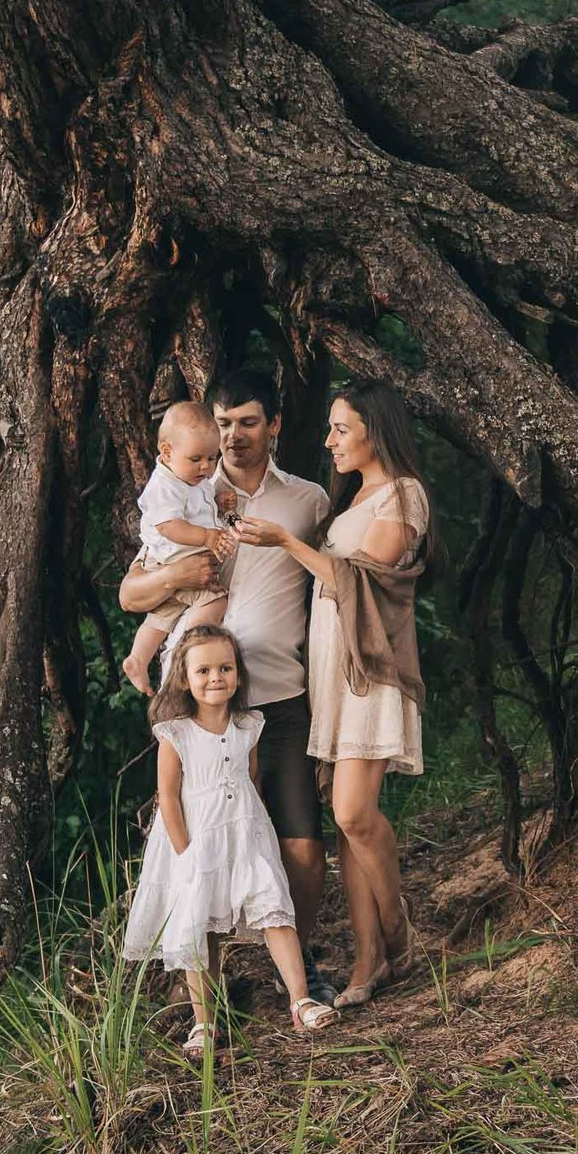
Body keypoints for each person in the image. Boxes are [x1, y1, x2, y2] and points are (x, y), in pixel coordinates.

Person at [119, 369, 337, 1007]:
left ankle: (298, 969)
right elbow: (133, 593)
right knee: (200, 844)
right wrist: (177, 575)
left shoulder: (308, 501)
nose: (233, 436)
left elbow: (334, 586)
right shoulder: (186, 492)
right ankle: (203, 995)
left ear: (272, 425)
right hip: (200, 704)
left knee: (301, 841)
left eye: (247, 422)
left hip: (278, 691)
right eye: (222, 423)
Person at [234, 381, 435, 1009]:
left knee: (352, 813)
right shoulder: (351, 502)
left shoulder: (405, 495)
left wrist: (289, 543)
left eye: (341, 429)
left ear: (376, 429)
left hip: (369, 672)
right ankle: (369, 961)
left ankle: (399, 931)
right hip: (329, 676)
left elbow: (364, 582)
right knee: (346, 826)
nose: (329, 441)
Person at [120, 624, 339, 1059]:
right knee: (203, 928)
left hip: (246, 835)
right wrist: (186, 853)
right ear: (184, 678)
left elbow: (252, 779)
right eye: (204, 670)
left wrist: (257, 831)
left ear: (238, 674)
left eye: (225, 668)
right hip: (196, 841)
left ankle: (301, 1001)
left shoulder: (248, 726)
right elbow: (168, 796)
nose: (215, 677)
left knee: (276, 911)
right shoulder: (175, 734)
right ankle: (205, 1023)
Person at [120, 401, 235, 696]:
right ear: (167, 452)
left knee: (165, 612)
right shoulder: (165, 485)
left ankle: (138, 658)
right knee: (215, 601)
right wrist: (208, 537)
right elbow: (170, 527)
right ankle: (184, 649)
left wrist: (219, 502)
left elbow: (201, 503)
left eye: (212, 458)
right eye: (197, 458)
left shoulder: (192, 477)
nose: (206, 467)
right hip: (172, 558)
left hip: (177, 561)